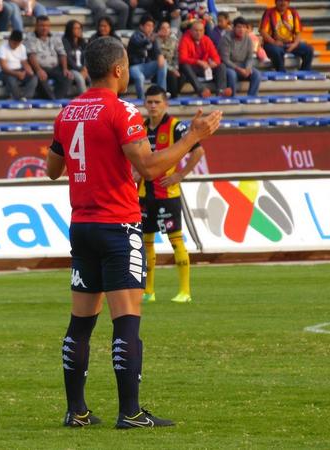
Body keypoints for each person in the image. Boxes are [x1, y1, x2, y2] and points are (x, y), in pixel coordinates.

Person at [46, 36, 221, 429]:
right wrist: (193, 137)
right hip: (117, 225)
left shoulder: (67, 112)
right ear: (119, 69)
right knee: (126, 318)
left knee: (81, 322)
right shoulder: (122, 111)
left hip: (82, 225)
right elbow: (150, 168)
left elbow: (52, 169)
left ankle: (76, 411)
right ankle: (130, 412)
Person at [138, 85, 203, 304]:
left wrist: (180, 175)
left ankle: (185, 291)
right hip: (144, 193)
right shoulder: (141, 127)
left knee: (175, 241)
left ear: (166, 103)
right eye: (149, 102)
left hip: (168, 193)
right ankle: (149, 291)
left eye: (157, 102)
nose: (153, 106)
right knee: (146, 243)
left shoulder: (176, 126)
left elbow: (198, 151)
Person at [178, 19, 230, 97]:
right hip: (192, 67)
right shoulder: (185, 39)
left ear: (204, 31)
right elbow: (182, 58)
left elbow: (216, 57)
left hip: (205, 67)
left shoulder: (207, 39)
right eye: (196, 30)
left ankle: (221, 91)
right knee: (185, 65)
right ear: (191, 31)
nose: (198, 33)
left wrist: (214, 63)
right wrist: (198, 62)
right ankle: (201, 90)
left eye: (201, 31)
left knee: (221, 66)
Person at [259, 0, 313, 72]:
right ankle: (281, 72)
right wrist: (274, 42)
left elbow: (298, 32)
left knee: (308, 50)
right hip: (273, 44)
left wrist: (295, 44)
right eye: (280, 1)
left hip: (290, 43)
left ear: (288, 2)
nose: (283, 3)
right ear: (276, 2)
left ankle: (305, 71)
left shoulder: (293, 12)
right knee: (277, 51)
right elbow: (263, 31)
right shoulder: (269, 12)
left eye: (285, 1)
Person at [25, 15, 72, 99]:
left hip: (55, 68)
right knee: (41, 77)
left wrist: (65, 69)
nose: (44, 28)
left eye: (47, 26)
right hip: (40, 68)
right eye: (42, 25)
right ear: (36, 26)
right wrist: (39, 70)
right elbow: (31, 55)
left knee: (67, 77)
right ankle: (52, 100)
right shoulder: (30, 38)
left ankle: (57, 100)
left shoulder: (55, 37)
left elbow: (62, 53)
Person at [127, 15, 167, 99]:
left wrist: (160, 55)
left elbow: (157, 50)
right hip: (134, 67)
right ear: (141, 26)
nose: (151, 28)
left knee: (163, 63)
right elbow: (141, 42)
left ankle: (161, 94)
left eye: (152, 26)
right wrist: (155, 36)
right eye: (148, 25)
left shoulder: (152, 37)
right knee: (140, 77)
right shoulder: (135, 35)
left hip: (146, 67)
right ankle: (141, 99)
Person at [219, 17, 261, 96]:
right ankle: (233, 97)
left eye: (244, 27)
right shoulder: (226, 39)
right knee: (232, 74)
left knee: (257, 74)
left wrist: (248, 68)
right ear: (233, 28)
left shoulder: (248, 39)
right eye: (239, 27)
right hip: (229, 66)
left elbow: (250, 57)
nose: (241, 29)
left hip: (243, 65)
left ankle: (251, 98)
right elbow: (225, 59)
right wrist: (239, 69)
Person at [0, 29, 37, 100]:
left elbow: (24, 62)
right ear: (9, 40)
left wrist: (29, 71)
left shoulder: (22, 47)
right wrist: (17, 74)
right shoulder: (2, 48)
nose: (15, 46)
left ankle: (26, 97)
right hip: (5, 72)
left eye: (17, 44)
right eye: (14, 43)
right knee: (11, 79)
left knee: (34, 78)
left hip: (19, 70)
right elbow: (4, 67)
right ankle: (17, 98)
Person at [156, 19, 181, 98]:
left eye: (168, 28)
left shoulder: (174, 40)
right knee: (172, 76)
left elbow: (176, 57)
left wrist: (175, 68)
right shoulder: (155, 41)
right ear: (159, 30)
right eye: (163, 28)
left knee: (182, 75)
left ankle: (174, 95)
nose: (166, 30)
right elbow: (157, 58)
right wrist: (172, 70)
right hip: (159, 69)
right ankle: (174, 97)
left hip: (172, 67)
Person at [62, 20, 89, 95]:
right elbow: (68, 59)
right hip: (71, 69)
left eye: (80, 28)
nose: (78, 30)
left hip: (83, 69)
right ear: (70, 30)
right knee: (79, 78)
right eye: (75, 28)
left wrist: (85, 68)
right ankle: (84, 97)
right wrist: (80, 69)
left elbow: (87, 57)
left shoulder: (83, 42)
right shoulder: (65, 42)